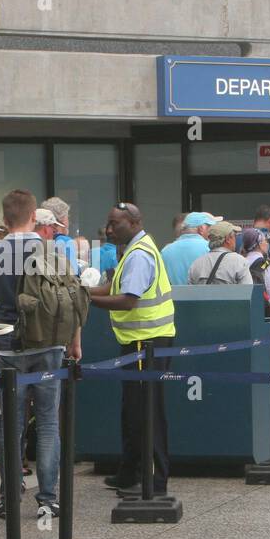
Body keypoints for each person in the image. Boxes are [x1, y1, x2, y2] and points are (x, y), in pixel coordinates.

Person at [0, 188, 79, 520]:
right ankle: (48, 498)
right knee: (46, 421)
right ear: (33, 216)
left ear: (5, 217)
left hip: (7, 343)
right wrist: (74, 342)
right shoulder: (51, 251)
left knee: (10, 426)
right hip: (47, 344)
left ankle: (9, 497)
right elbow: (71, 301)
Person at [87, 202, 176, 496]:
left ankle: (155, 481)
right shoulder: (134, 249)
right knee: (132, 409)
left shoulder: (139, 255)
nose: (109, 229)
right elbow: (113, 288)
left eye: (116, 223)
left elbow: (127, 300)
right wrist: (78, 290)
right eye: (109, 223)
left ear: (135, 223)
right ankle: (130, 472)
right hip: (139, 342)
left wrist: (84, 300)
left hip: (146, 343)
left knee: (146, 412)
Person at [188, 221, 252, 285]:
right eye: (234, 236)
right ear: (228, 239)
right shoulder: (240, 262)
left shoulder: (196, 264)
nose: (235, 239)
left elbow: (190, 292)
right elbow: (248, 291)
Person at [159, 211, 214, 286]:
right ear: (201, 229)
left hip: (174, 296)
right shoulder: (210, 248)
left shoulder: (165, 251)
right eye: (209, 228)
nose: (211, 232)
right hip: (203, 296)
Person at [240, 228, 270, 318]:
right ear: (259, 244)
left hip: (248, 315)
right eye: (264, 240)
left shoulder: (240, 264)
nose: (267, 243)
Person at [41, 196, 79, 274]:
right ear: (62, 219)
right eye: (68, 217)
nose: (69, 222)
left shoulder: (40, 241)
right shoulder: (65, 242)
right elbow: (73, 275)